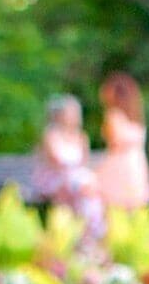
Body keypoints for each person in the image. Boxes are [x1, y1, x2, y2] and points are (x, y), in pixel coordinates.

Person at [38, 92, 102, 242]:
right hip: (55, 177)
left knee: (89, 189)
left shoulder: (81, 137)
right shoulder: (51, 135)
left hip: (76, 179)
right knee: (85, 189)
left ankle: (86, 233)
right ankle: (89, 232)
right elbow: (54, 162)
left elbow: (83, 163)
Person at [94, 72, 149, 219]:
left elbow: (114, 143)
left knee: (113, 208)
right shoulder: (136, 118)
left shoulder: (113, 115)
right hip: (136, 164)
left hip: (119, 165)